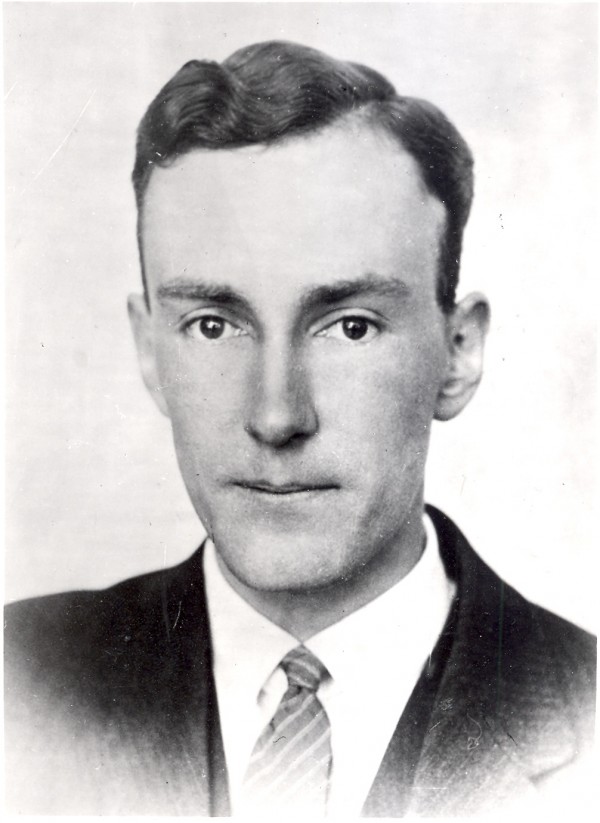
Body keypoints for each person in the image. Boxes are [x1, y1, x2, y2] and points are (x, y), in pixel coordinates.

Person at [4, 40, 595, 817]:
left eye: (349, 326)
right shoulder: (20, 683)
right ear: (150, 352)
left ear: (458, 354)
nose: (277, 415)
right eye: (214, 325)